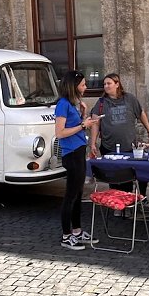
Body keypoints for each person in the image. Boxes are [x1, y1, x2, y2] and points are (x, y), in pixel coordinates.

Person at [54, 71, 100, 251]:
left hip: (79, 150)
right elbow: (60, 133)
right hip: (71, 153)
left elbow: (76, 127)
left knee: (78, 193)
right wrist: (83, 125)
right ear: (73, 86)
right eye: (82, 84)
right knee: (71, 195)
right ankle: (66, 236)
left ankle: (77, 231)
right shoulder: (63, 104)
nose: (85, 87)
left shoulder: (73, 104)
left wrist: (83, 114)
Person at [89, 73, 149, 159]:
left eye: (109, 83)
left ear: (117, 84)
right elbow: (95, 123)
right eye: (104, 84)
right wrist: (93, 144)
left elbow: (141, 113)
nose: (106, 86)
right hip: (108, 148)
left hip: (129, 146)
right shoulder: (101, 102)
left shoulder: (130, 99)